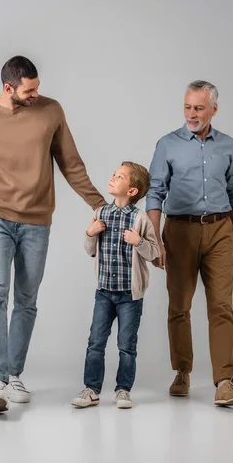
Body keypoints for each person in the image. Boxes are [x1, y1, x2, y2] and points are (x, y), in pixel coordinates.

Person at [0, 55, 107, 413]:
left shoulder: (51, 111)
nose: (36, 94)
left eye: (38, 87)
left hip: (37, 220)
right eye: (29, 90)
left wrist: (101, 205)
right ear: (8, 88)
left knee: (26, 300)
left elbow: (71, 163)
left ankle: (13, 375)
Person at [146, 80, 233, 406]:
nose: (192, 114)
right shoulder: (167, 144)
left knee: (221, 306)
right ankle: (182, 371)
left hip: (221, 229)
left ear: (214, 109)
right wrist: (155, 241)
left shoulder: (228, 146)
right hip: (179, 231)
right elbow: (155, 194)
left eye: (199, 108)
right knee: (179, 306)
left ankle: (226, 382)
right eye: (188, 107)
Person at [71, 162, 160, 409]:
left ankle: (123, 390)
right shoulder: (101, 214)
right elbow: (91, 251)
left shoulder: (140, 218)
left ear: (131, 191)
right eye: (113, 174)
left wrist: (138, 241)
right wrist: (90, 233)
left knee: (126, 345)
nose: (112, 178)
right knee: (95, 342)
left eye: (119, 177)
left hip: (129, 296)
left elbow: (153, 253)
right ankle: (91, 389)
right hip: (103, 292)